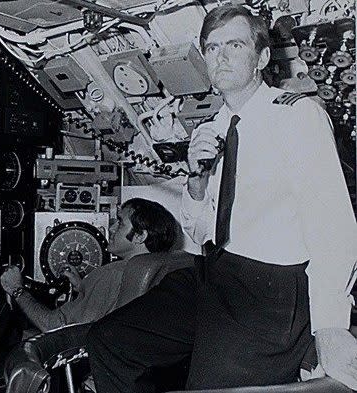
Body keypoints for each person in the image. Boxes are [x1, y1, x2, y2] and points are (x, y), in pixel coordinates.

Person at [86, 5, 357, 392]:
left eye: (235, 44)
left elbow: (333, 225)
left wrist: (330, 324)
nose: (222, 56)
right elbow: (201, 232)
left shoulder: (297, 117)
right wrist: (196, 180)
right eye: (212, 48)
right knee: (110, 342)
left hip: (272, 289)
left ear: (261, 57)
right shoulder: (213, 127)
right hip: (215, 271)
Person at [0, 198, 180, 332]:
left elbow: (53, 326)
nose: (111, 228)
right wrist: (83, 286)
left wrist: (17, 289)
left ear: (140, 236)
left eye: (120, 222)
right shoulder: (164, 267)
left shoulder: (112, 273)